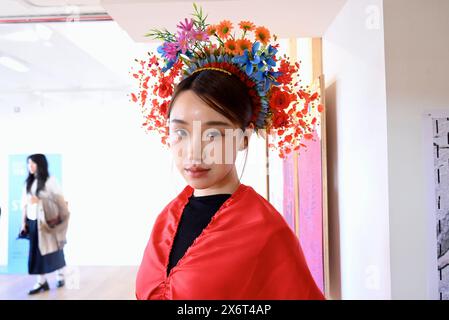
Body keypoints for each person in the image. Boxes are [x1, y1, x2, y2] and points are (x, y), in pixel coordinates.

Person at [133, 6, 324, 300]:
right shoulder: (167, 218)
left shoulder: (266, 232)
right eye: (181, 132)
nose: (194, 151)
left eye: (213, 133)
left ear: (244, 138)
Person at [20, 154, 68, 295]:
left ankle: (60, 275)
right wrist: (23, 222)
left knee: (53, 249)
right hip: (33, 222)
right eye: (29, 164)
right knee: (36, 252)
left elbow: (59, 201)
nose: (30, 166)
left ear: (40, 164)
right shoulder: (27, 183)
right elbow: (24, 204)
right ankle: (41, 281)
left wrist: (40, 200)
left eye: (33, 163)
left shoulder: (50, 180)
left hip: (47, 223)